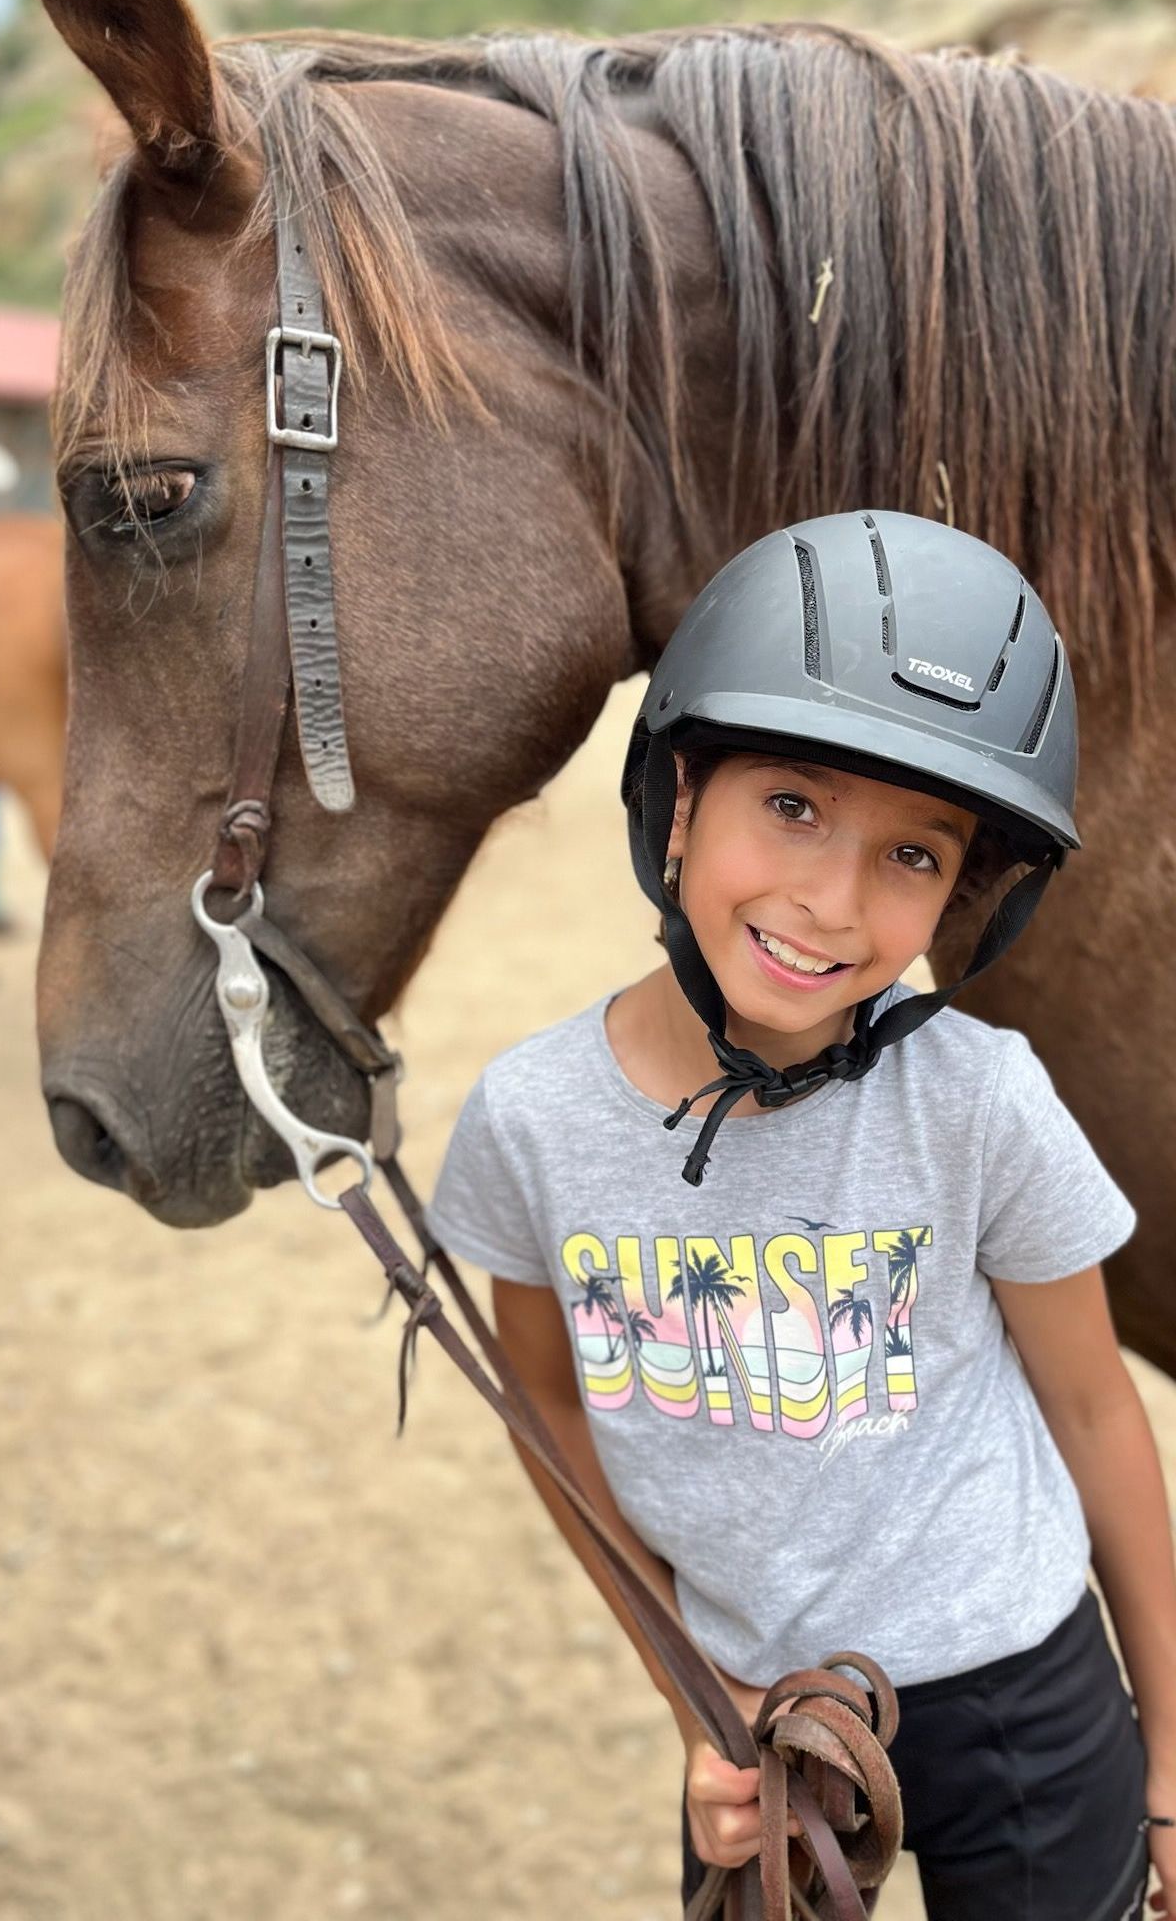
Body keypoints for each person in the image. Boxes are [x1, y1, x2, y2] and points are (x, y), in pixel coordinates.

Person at [430, 511, 1176, 1920]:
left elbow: (1094, 1413)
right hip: (756, 1717)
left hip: (1023, 1694)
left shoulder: (979, 1099)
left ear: (970, 894)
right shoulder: (532, 1121)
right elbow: (549, 1408)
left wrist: (1175, 1768)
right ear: (682, 791)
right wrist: (684, 1680)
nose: (831, 902)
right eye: (792, 806)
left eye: (916, 855)